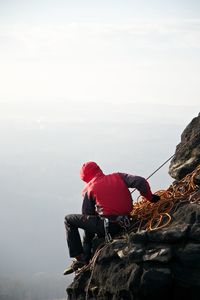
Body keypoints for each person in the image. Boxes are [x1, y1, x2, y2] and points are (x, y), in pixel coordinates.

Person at [63, 161, 160, 275]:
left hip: (109, 227)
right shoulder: (118, 176)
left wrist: (87, 245)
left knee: (68, 219)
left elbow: (88, 216)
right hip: (128, 222)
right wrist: (150, 197)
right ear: (98, 169)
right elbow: (140, 181)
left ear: (84, 177)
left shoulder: (89, 189)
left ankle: (80, 258)